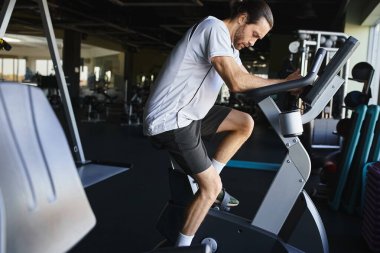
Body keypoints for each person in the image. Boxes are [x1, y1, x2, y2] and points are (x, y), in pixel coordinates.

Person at [143, 0, 301, 247]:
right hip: (170, 119)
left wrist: (288, 85)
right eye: (254, 34)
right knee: (211, 189)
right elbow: (237, 82)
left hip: (190, 115)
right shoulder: (213, 28)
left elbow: (248, 80)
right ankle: (183, 246)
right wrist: (284, 81)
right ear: (241, 18)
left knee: (244, 122)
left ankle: (205, 179)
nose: (253, 42)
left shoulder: (231, 50)